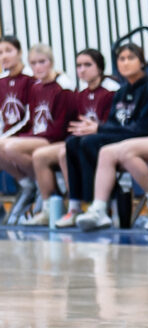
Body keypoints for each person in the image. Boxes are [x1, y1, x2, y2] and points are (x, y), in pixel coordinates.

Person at [63, 43, 148, 225]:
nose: (125, 63)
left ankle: (103, 202)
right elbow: (113, 124)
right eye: (121, 59)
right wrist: (97, 128)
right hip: (123, 136)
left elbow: (144, 128)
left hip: (144, 138)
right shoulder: (122, 91)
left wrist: (99, 129)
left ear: (142, 62)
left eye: (131, 58)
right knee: (72, 142)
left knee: (89, 143)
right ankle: (77, 205)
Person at [29, 48, 118, 226]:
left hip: (105, 139)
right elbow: (73, 125)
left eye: (87, 65)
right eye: (78, 66)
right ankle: (73, 208)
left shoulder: (111, 91)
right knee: (62, 149)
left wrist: (96, 129)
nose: (82, 70)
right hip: (82, 140)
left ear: (99, 67)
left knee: (68, 150)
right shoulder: (81, 94)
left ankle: (93, 205)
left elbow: (115, 123)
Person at [0, 44, 73, 223]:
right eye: (34, 63)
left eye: (42, 62)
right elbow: (31, 121)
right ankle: (29, 183)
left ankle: (44, 185)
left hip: (55, 139)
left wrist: (22, 138)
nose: (38, 67)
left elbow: (60, 127)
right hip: (40, 136)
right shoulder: (36, 87)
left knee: (10, 148)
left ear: (51, 62)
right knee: (3, 146)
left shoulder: (62, 85)